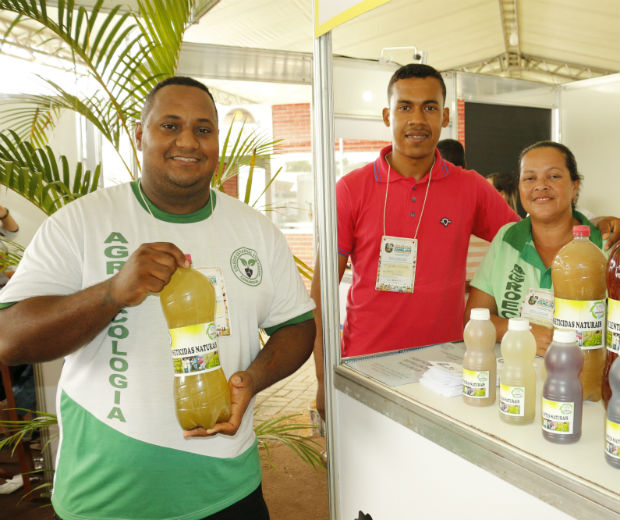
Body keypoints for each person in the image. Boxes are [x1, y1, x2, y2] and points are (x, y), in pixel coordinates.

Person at [0, 76, 315, 520]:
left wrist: (253, 378)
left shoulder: (256, 231)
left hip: (229, 488)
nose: (188, 140)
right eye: (169, 125)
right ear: (139, 135)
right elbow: (10, 337)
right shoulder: (81, 222)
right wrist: (111, 293)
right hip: (108, 497)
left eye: (203, 129)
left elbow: (297, 326)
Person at [310, 64, 620, 420]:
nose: (417, 118)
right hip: (366, 359)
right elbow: (321, 300)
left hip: (449, 363)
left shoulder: (470, 187)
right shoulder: (350, 190)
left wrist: (589, 224)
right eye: (405, 107)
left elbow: (534, 230)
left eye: (429, 107)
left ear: (444, 116)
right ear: (387, 115)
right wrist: (322, 380)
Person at [465, 141, 602, 356]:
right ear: (519, 187)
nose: (541, 185)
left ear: (574, 186)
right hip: (513, 374)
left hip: (584, 377)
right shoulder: (506, 238)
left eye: (554, 176)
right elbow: (475, 318)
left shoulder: (604, 245)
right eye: (529, 178)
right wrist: (522, 331)